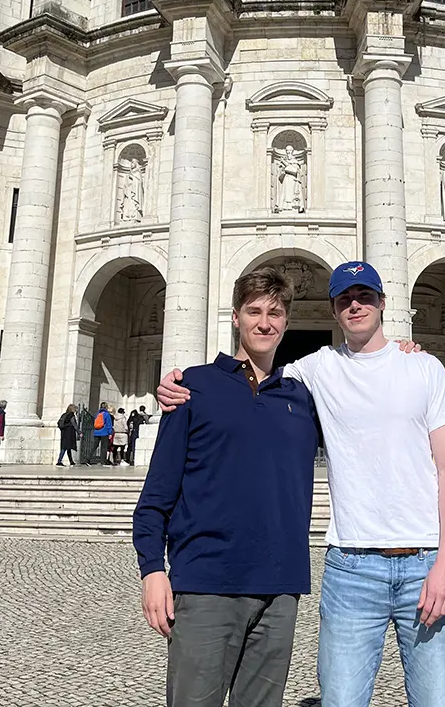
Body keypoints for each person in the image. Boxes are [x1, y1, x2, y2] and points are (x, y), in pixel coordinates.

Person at [158, 261, 445, 707]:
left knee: (437, 701)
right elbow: (252, 379)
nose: (355, 305)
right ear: (333, 310)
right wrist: (176, 381)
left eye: (364, 297)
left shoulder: (424, 367)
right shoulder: (314, 370)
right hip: (352, 567)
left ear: (383, 302)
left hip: (425, 560)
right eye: (345, 299)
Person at [133, 267, 319, 707]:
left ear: (287, 323)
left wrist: (400, 354)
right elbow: (156, 494)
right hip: (206, 584)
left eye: (275, 313)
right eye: (253, 311)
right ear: (235, 317)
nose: (264, 322)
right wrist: (151, 569)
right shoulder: (193, 386)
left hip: (280, 587)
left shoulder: (302, 397)